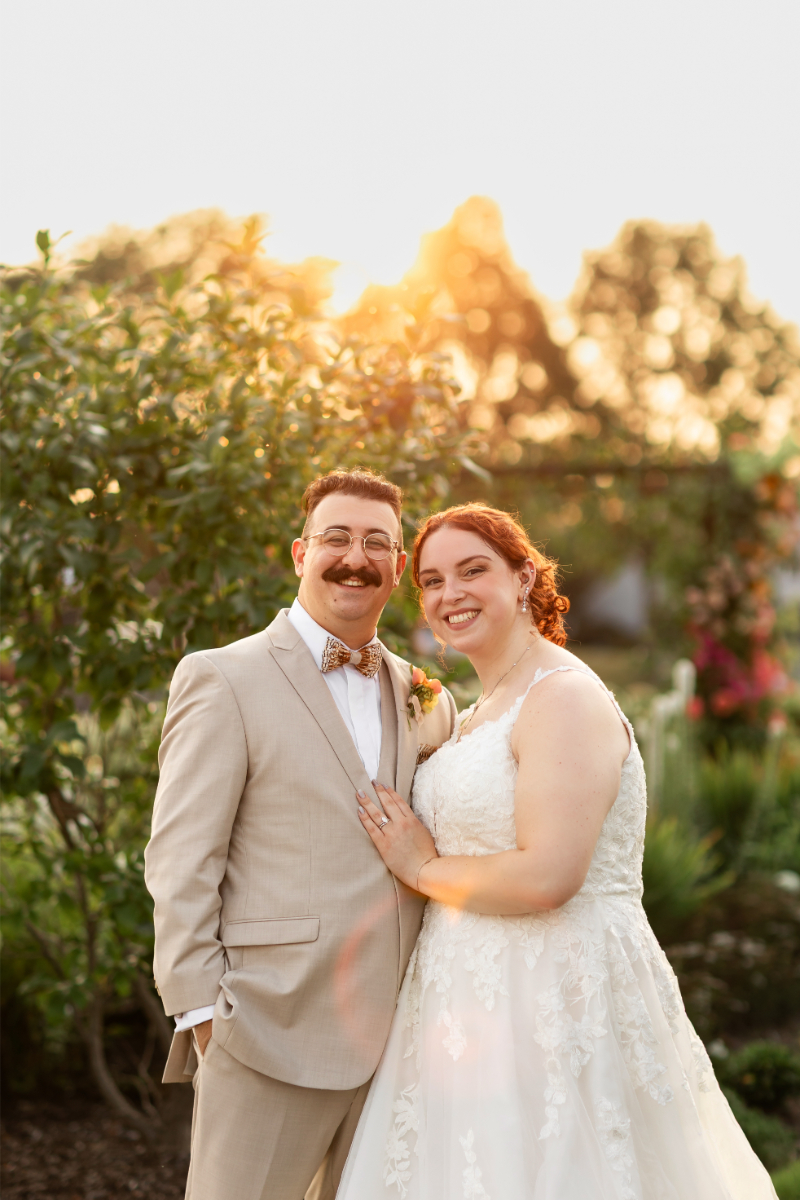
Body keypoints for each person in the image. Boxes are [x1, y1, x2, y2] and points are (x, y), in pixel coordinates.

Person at [338, 502, 778, 1199]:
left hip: (553, 996)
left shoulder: (563, 697)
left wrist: (420, 867)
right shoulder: (478, 707)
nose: (450, 594)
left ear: (523, 579)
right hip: (464, 1000)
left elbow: (549, 874)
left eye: (472, 570)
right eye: (432, 580)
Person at [144, 469, 456, 1200]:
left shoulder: (424, 694)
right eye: (337, 538)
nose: (357, 557)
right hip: (266, 1030)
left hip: (404, 1043)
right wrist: (201, 1017)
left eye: (377, 542)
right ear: (299, 553)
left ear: (399, 567)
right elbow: (181, 857)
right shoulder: (222, 678)